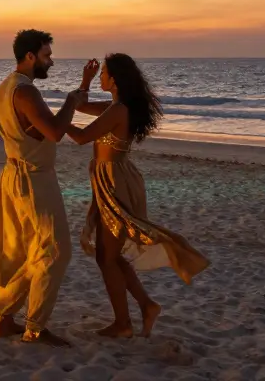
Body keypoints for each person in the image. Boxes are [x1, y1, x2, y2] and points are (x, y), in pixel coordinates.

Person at [67, 54, 210, 338]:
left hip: (115, 182)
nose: (102, 77)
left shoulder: (119, 110)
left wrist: (51, 124)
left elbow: (82, 137)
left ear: (116, 79)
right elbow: (81, 105)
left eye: (104, 73)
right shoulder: (115, 107)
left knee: (107, 257)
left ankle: (126, 322)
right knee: (108, 255)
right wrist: (86, 81)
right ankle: (144, 307)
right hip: (111, 179)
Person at [0, 29, 85, 347]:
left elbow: (35, 131)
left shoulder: (6, 87)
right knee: (56, 251)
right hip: (33, 180)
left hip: (15, 176)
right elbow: (55, 132)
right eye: (46, 55)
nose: (51, 61)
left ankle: (6, 319)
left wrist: (83, 86)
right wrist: (71, 99)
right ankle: (35, 327)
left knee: (18, 251)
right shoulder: (26, 91)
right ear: (29, 56)